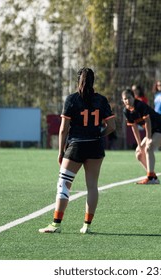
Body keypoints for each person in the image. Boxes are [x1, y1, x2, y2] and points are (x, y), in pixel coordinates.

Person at [39, 67, 116, 234]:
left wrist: (61, 151)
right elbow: (111, 127)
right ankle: (87, 226)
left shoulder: (72, 99)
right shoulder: (101, 100)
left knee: (64, 184)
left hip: (76, 147)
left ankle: (56, 224)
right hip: (95, 146)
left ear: (77, 81)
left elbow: (63, 129)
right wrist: (97, 134)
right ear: (93, 81)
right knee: (92, 187)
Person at [122, 88, 161, 184]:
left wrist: (148, 138)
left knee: (149, 147)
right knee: (139, 153)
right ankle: (153, 177)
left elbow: (147, 122)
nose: (127, 100)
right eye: (125, 99)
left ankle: (150, 177)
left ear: (133, 97)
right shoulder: (126, 111)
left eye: (129, 98)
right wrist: (139, 144)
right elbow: (134, 127)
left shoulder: (140, 105)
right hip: (153, 130)